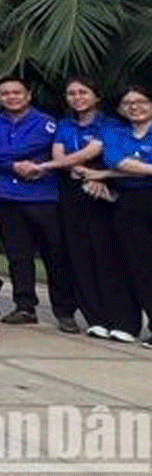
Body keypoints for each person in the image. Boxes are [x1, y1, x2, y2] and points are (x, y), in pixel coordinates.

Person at [0, 77, 75, 331]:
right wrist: (13, 164)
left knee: (55, 254)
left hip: (43, 196)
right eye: (5, 93)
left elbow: (34, 145)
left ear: (28, 95)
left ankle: (64, 310)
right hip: (6, 197)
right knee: (18, 255)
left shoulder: (46, 122)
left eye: (17, 92)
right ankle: (24, 306)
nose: (11, 97)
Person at [42, 78, 138, 342]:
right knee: (79, 254)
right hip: (73, 192)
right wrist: (70, 168)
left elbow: (92, 151)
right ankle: (95, 318)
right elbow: (60, 155)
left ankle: (123, 321)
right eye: (71, 93)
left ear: (97, 96)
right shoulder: (64, 124)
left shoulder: (110, 125)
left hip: (104, 189)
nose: (76, 97)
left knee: (108, 255)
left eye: (83, 92)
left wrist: (54, 167)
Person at [102, 87, 152, 346]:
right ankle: (127, 322)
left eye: (141, 101)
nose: (134, 107)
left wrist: (135, 167)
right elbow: (115, 161)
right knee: (132, 262)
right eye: (127, 102)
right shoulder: (115, 132)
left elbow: (123, 164)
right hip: (130, 202)